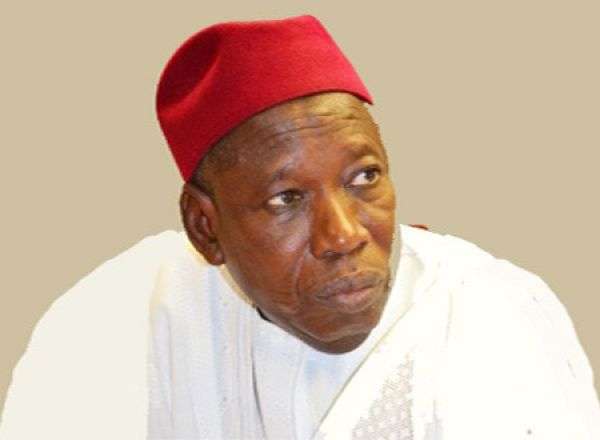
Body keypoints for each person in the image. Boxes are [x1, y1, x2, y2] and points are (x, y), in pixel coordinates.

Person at [1, 14, 599, 440]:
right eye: (287, 199)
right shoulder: (124, 315)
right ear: (205, 228)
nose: (344, 236)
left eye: (364, 177)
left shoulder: (490, 315)